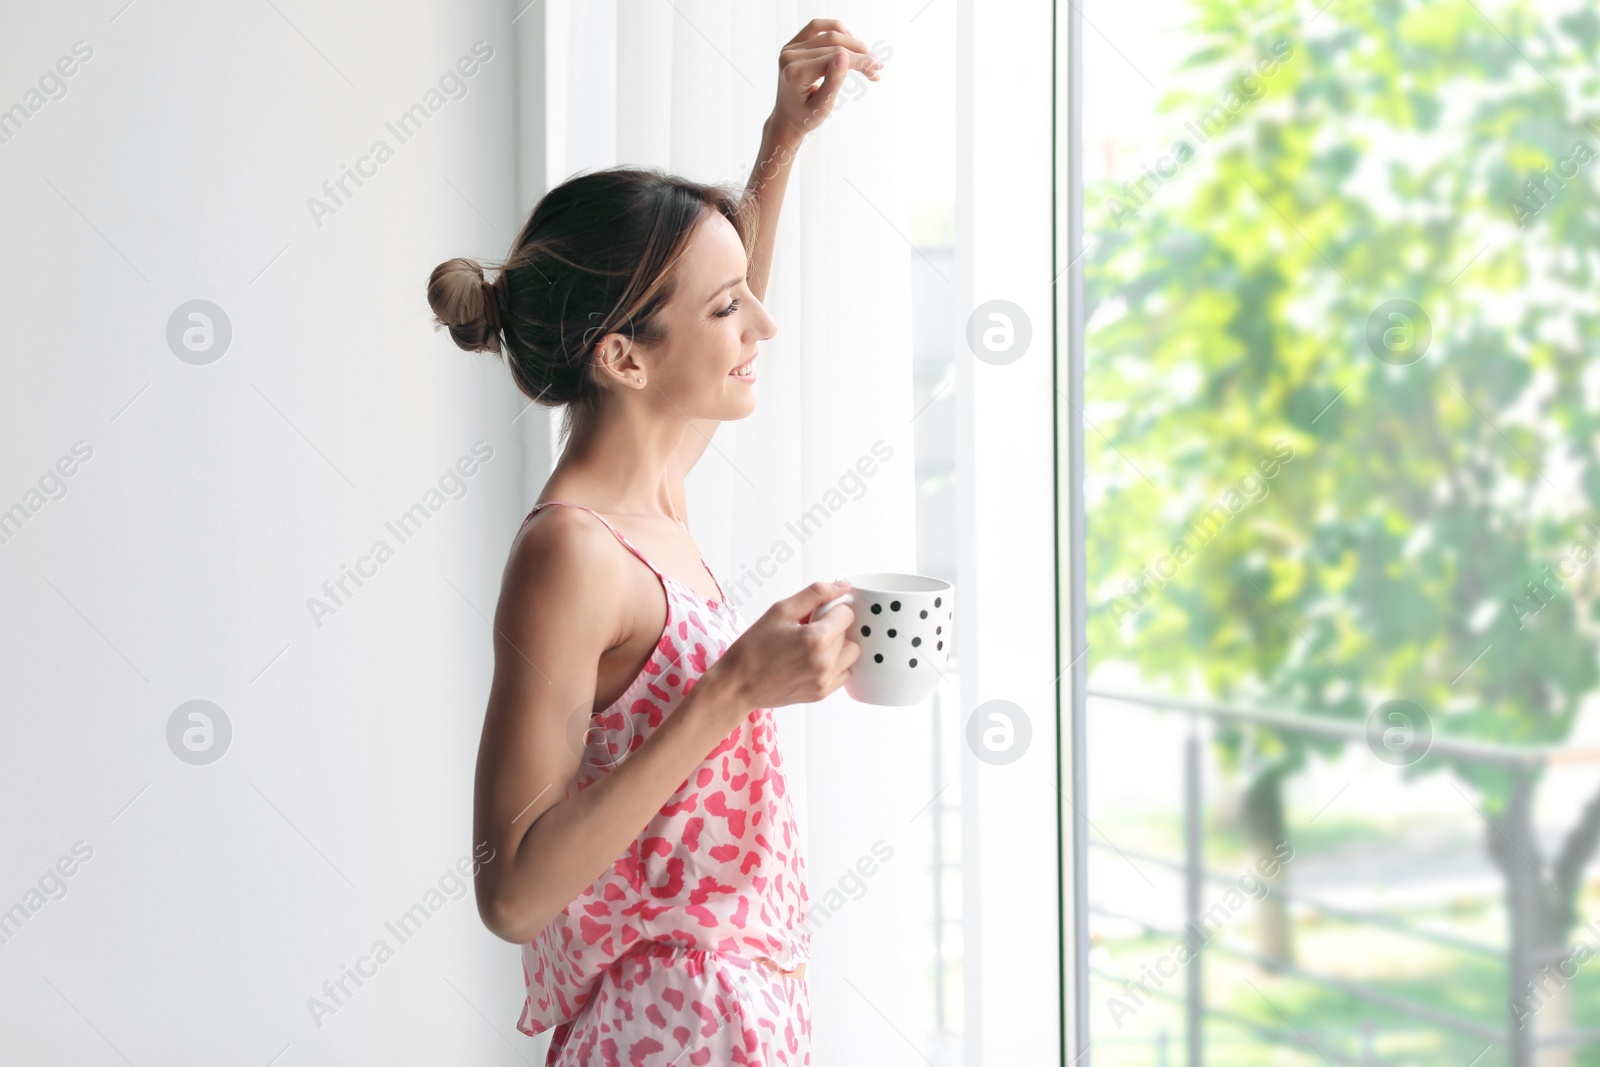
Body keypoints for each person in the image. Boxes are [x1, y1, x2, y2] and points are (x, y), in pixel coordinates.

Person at [424, 20, 884, 1066]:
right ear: (624, 357)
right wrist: (728, 690)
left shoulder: (656, 493)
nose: (761, 327)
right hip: (668, 1024)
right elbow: (513, 889)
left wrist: (780, 143)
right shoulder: (572, 554)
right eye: (730, 310)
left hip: (730, 1010)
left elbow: (712, 332)